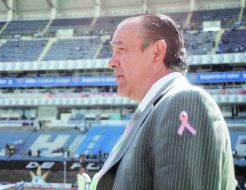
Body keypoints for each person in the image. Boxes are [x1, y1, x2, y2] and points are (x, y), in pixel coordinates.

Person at [91, 14, 237, 190]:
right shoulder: (156, 110)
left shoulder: (183, 101)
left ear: (157, 52)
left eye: (121, 50)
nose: (111, 62)